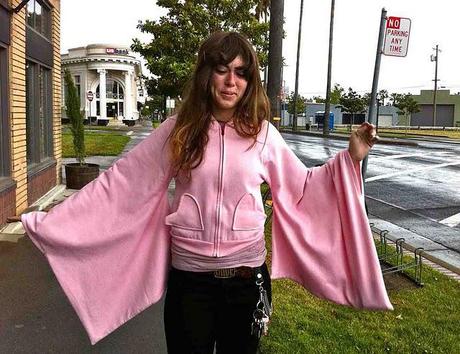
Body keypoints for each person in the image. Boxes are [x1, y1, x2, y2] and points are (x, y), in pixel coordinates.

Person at [21, 32, 392, 353]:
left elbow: (303, 189)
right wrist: (54, 223)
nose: (231, 81)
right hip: (190, 285)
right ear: (206, 74)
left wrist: (350, 158)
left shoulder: (263, 136)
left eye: (241, 73)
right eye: (222, 69)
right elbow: (121, 185)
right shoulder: (177, 130)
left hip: (247, 283)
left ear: (250, 82)